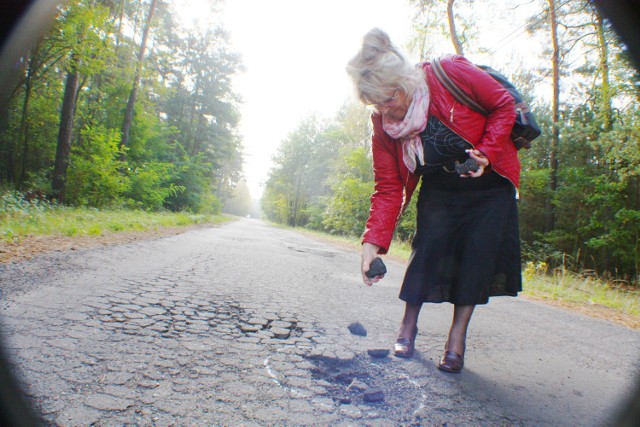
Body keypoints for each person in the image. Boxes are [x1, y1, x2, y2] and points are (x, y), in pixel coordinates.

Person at [346, 28, 522, 373]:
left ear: (405, 82)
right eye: (375, 104)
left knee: (476, 260)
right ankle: (407, 328)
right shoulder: (382, 126)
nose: (384, 111)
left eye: (388, 100)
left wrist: (485, 152)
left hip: (489, 187)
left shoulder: (450, 73)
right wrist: (372, 243)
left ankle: (456, 341)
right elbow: (388, 186)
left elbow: (502, 106)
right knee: (425, 251)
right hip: (441, 187)